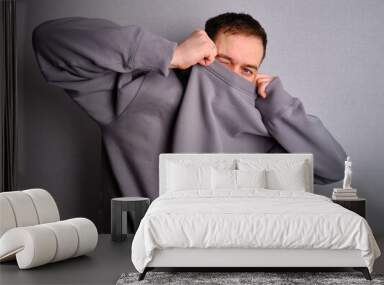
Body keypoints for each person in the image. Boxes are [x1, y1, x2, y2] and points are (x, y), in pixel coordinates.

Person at [32, 12, 347, 199]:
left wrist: (280, 108)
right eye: (223, 63)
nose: (234, 78)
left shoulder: (260, 124)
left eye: (247, 70)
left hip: (230, 265)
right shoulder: (139, 91)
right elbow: (49, 40)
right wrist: (169, 54)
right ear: (202, 55)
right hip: (140, 263)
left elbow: (332, 167)